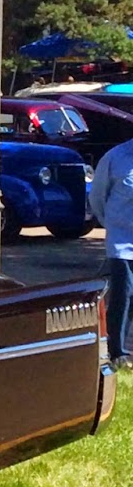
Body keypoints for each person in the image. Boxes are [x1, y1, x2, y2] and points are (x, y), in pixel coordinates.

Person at [91, 132, 133, 368]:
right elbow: (98, 197)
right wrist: (112, 226)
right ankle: (116, 352)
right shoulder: (116, 157)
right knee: (122, 295)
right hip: (122, 242)